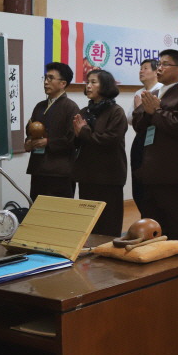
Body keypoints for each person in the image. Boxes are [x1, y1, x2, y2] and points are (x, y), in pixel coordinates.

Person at [132, 49, 178, 245]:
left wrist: (155, 112)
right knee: (153, 229)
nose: (159, 68)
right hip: (152, 173)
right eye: (159, 64)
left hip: (177, 176)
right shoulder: (154, 94)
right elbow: (138, 124)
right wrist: (148, 112)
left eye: (165, 64)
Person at [70, 69, 128, 236]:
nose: (88, 86)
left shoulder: (116, 111)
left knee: (108, 222)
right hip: (87, 174)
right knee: (89, 223)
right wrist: (76, 135)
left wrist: (84, 132)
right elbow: (76, 142)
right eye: (87, 82)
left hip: (109, 175)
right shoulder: (84, 112)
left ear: (105, 85)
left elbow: (109, 141)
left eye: (93, 82)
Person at [25, 62, 80, 200]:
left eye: (50, 78)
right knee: (37, 208)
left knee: (59, 210)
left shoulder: (70, 107)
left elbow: (73, 139)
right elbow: (30, 130)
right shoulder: (40, 106)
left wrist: (48, 142)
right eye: (45, 78)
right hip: (38, 168)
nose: (46, 82)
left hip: (60, 170)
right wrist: (28, 142)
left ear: (63, 83)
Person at [129, 57, 161, 215]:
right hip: (140, 140)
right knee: (138, 184)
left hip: (156, 143)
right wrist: (140, 110)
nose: (141, 71)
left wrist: (140, 109)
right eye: (140, 68)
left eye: (145, 68)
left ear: (156, 72)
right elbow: (130, 118)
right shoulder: (138, 92)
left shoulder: (161, 90)